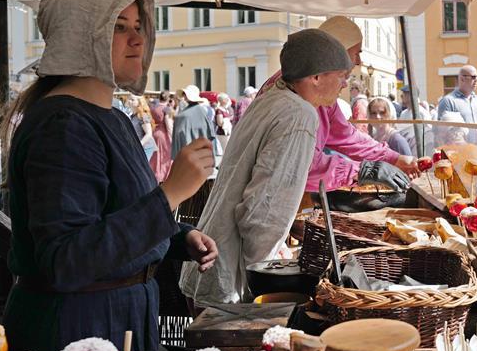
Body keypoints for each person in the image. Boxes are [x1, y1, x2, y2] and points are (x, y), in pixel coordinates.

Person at [0, 0, 217, 351]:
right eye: (118, 28)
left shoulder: (111, 117)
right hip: (79, 336)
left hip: (120, 320)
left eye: (138, 27)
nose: (138, 40)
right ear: (81, 34)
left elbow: (115, 214)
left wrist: (178, 237)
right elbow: (67, 260)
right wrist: (170, 194)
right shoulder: (63, 126)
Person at [180, 29, 353, 305]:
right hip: (232, 282)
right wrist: (266, 280)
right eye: (342, 75)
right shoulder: (299, 115)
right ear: (316, 77)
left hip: (212, 261)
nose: (345, 83)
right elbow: (264, 212)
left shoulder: (271, 100)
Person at [257, 16, 416, 192]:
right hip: (267, 197)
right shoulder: (296, 101)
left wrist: (393, 158)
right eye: (357, 53)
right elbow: (302, 165)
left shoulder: (319, 92)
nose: (358, 62)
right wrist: (364, 170)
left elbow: (347, 136)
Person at [437, 65, 477, 165]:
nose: (476, 80)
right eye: (473, 77)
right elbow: (442, 133)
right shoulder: (448, 101)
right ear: (462, 78)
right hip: (459, 158)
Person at [172, 85, 216, 159]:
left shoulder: (183, 115)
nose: (184, 96)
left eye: (185, 94)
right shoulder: (203, 112)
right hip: (202, 152)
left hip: (190, 154)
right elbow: (211, 135)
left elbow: (180, 140)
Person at [397, 85, 432, 156]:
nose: (401, 96)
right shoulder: (404, 113)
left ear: (411, 96)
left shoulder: (421, 112)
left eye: (404, 94)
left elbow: (428, 132)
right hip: (406, 147)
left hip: (419, 148)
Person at [149, 90, 173, 181]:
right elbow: (168, 124)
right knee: (164, 156)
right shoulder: (167, 109)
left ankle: (154, 175)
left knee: (155, 156)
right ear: (168, 98)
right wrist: (171, 135)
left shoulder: (153, 108)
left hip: (154, 132)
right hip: (163, 134)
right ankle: (163, 176)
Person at [126, 95, 156, 162]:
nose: (129, 101)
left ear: (139, 102)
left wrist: (139, 145)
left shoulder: (143, 115)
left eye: (132, 100)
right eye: (129, 99)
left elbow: (149, 134)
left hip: (145, 147)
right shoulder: (133, 115)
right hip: (138, 147)